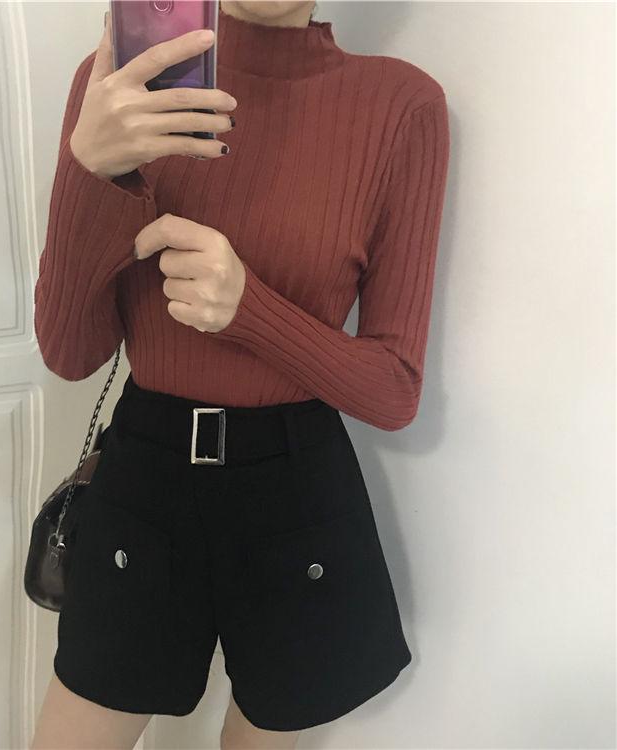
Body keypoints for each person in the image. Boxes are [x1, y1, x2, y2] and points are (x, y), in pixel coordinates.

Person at [30, 1, 450, 748]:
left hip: (296, 489)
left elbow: (394, 390)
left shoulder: (400, 106)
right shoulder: (124, 83)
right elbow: (69, 352)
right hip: (145, 479)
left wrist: (249, 310)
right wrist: (87, 169)